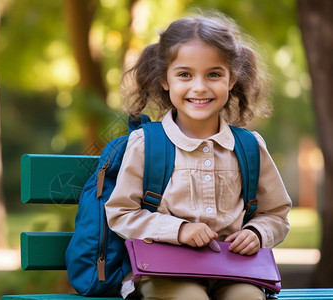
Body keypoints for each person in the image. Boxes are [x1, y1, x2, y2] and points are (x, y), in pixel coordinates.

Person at [105, 10, 291, 300]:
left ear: (232, 80)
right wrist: (178, 230)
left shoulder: (250, 146)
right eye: (184, 75)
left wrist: (256, 233)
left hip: (231, 271)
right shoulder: (146, 144)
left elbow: (276, 214)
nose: (200, 87)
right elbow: (121, 214)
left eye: (214, 74)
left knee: (248, 298)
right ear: (165, 80)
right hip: (164, 271)